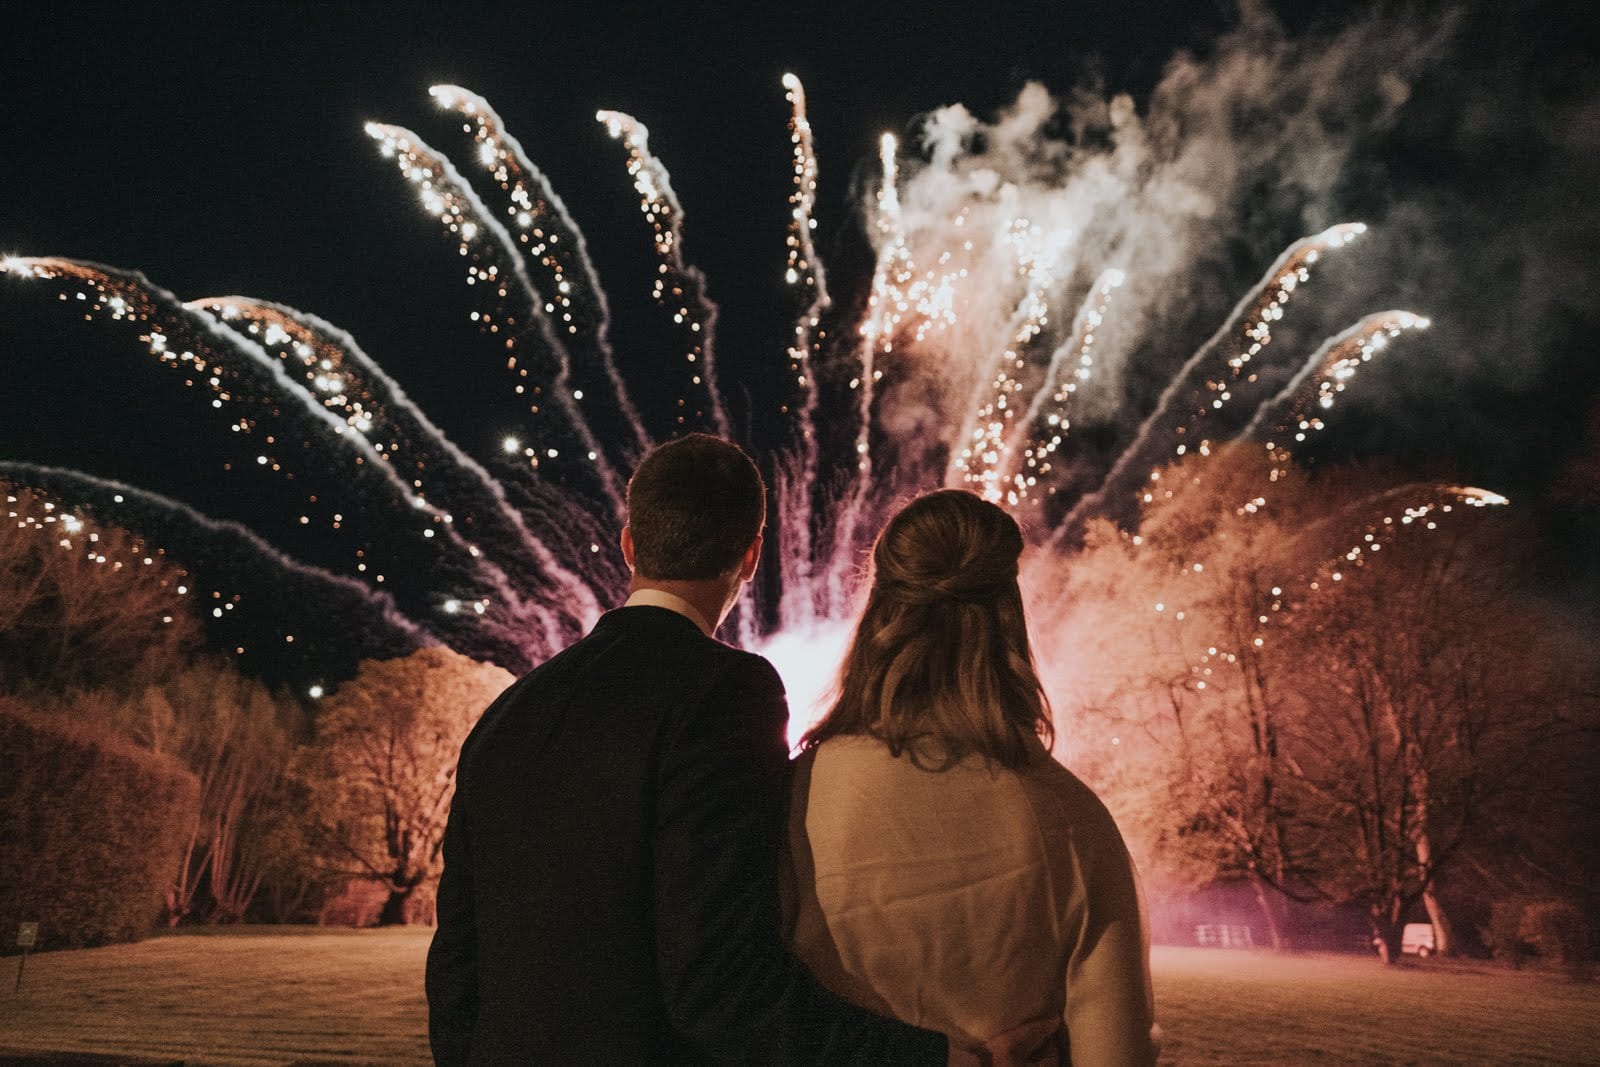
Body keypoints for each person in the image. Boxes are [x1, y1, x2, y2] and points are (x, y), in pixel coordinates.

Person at [426, 435, 1055, 1064]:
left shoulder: (506, 716)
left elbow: (455, 973)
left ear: (628, 545)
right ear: (752, 554)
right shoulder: (725, 693)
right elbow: (719, 988)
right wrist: (933, 1059)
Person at [784, 489, 1160, 1066]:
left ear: (880, 610)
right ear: (1007, 617)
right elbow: (1117, 1051)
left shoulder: (791, 802)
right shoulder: (1077, 823)